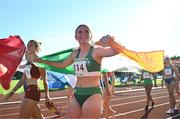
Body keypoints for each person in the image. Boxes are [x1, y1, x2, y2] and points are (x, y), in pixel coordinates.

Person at [34, 24, 118, 118]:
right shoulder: (75, 54)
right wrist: (43, 61)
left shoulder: (96, 51)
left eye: (86, 31)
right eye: (80, 32)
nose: (83, 33)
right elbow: (62, 65)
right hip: (77, 94)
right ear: (76, 36)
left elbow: (115, 51)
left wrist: (112, 41)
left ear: (91, 35)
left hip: (93, 94)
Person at [4, 40, 51, 118]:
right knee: (38, 117)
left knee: (23, 116)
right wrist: (12, 91)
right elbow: (23, 79)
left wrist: (47, 96)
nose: (28, 47)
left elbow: (45, 79)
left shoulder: (39, 61)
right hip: (28, 91)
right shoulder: (28, 63)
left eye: (31, 45)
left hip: (34, 91)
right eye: (28, 45)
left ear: (36, 47)